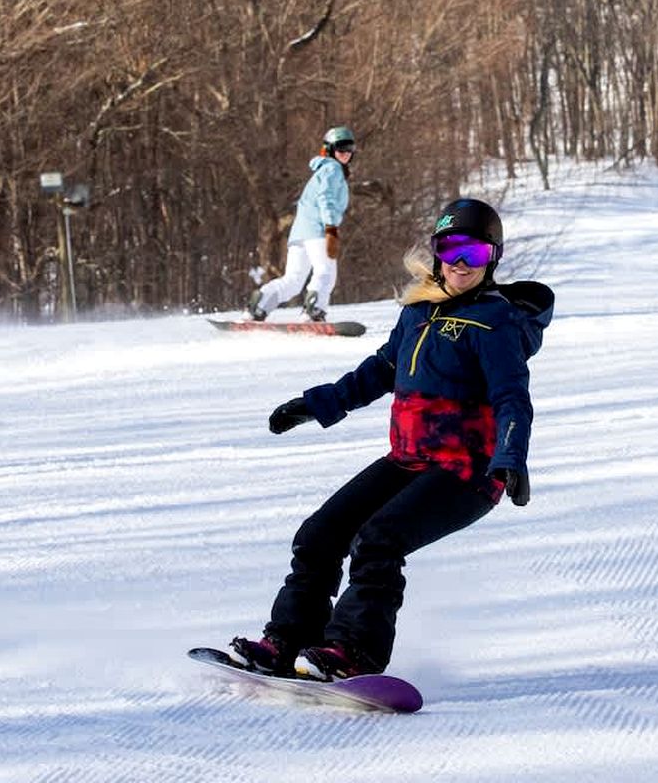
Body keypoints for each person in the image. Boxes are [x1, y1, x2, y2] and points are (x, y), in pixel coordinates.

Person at [229, 198, 554, 680]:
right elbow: (381, 369)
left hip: (467, 471)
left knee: (379, 539)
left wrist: (511, 458)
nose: (461, 263)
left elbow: (512, 396)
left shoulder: (496, 321)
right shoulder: (418, 311)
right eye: (451, 249)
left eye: (476, 254)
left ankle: (353, 651)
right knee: (320, 533)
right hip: (408, 460)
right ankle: (289, 640)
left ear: (494, 259)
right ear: (437, 252)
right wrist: (316, 404)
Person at [247, 126, 357, 323]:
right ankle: (313, 311)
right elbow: (326, 198)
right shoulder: (332, 169)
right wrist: (331, 227)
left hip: (300, 233)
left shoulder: (322, 170)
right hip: (318, 230)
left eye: (350, 148)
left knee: (293, 281)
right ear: (330, 150)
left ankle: (258, 306)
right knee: (325, 271)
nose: (346, 153)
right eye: (341, 148)